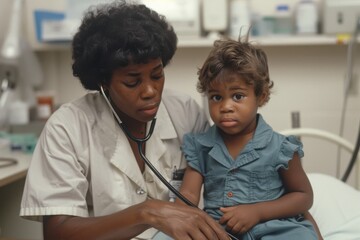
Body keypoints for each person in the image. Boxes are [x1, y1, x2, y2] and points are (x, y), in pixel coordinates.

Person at [20, 2, 231, 240]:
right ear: (103, 82)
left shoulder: (185, 112)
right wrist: (146, 213)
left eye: (157, 74)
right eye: (133, 81)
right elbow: (58, 233)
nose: (150, 90)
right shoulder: (67, 127)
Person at [176, 37, 323, 240]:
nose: (226, 106)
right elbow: (189, 195)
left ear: (261, 96)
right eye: (216, 97)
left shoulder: (280, 148)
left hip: (274, 228)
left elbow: (303, 197)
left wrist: (258, 211)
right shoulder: (201, 146)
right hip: (219, 230)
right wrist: (173, 218)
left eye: (237, 96)